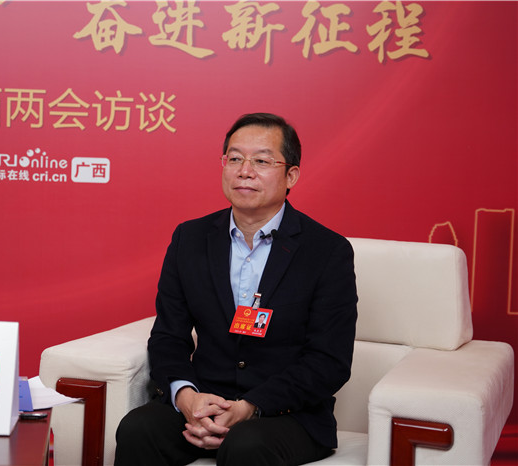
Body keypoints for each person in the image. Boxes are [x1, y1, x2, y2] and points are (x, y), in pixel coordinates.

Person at [115, 113, 358, 466]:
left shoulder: (326, 251)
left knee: (246, 445)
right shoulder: (190, 239)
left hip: (286, 413)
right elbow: (169, 336)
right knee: (138, 429)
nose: (245, 171)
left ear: (291, 175)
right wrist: (187, 397)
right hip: (204, 401)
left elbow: (329, 360)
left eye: (262, 161)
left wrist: (250, 407)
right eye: (235, 159)